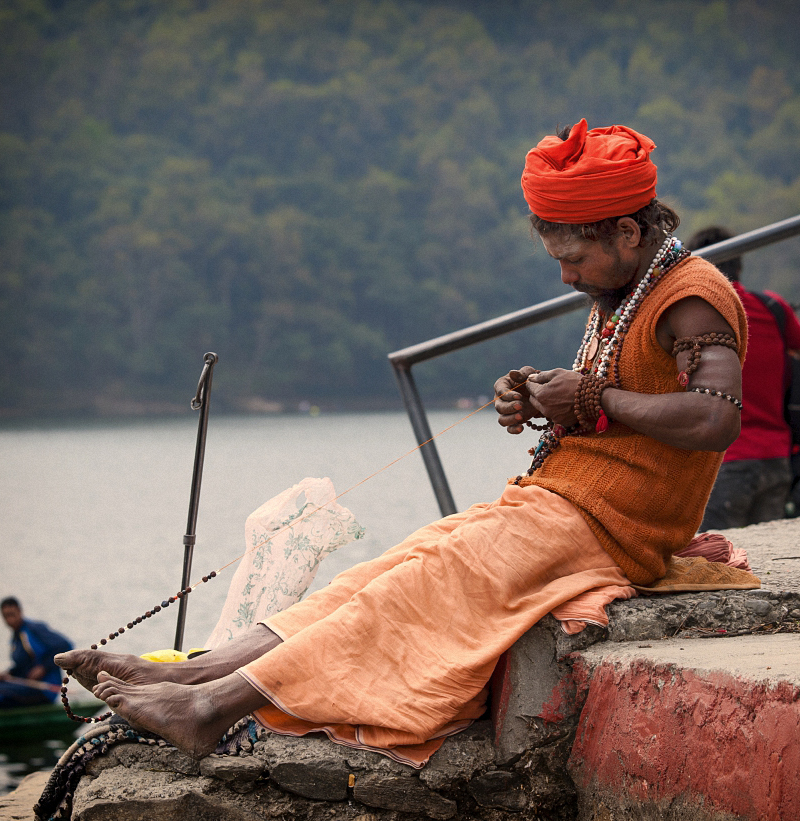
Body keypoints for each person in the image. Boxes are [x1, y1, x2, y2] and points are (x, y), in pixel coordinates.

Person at [55, 119, 747, 765]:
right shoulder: (622, 289)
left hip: (614, 524)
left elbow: (714, 418)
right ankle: (203, 667)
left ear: (627, 231)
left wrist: (591, 398)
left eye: (574, 256)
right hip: (559, 502)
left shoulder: (690, 297)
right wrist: (542, 398)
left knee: (418, 591)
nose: (565, 275)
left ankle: (208, 708)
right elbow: (624, 407)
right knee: (379, 574)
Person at [688, 226, 800, 530]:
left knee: (719, 561)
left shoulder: (697, 316)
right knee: (767, 562)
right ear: (739, 264)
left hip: (724, 462)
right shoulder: (773, 308)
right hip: (776, 460)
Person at [0, 597, 73, 709]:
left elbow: (65, 645)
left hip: (42, 689)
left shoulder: (34, 629)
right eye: (6, 616)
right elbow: (23, 668)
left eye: (12, 615)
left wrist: (43, 668)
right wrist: (8, 675)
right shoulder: (16, 637)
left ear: (20, 612)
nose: (9, 620)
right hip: (25, 686)